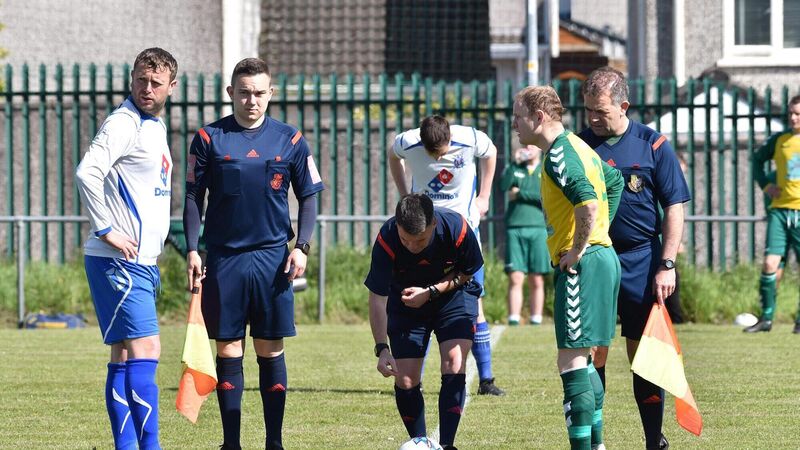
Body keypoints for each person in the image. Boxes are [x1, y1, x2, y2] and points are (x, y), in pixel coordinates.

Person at [183, 57, 324, 450]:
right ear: (230, 93)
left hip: (273, 260)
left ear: (271, 94)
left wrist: (303, 248)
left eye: (259, 93)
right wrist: (194, 250)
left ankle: (274, 443)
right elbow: (193, 196)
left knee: (269, 348)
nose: (251, 100)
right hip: (224, 259)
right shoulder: (209, 138)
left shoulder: (290, 140)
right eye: (244, 92)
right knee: (228, 349)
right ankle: (231, 444)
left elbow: (309, 195)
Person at [578, 66, 691, 450]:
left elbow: (674, 206)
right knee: (592, 353)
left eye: (601, 111)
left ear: (623, 106)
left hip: (642, 261)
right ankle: (594, 440)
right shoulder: (578, 146)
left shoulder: (653, 145)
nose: (593, 119)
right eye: (588, 111)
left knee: (644, 356)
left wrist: (667, 263)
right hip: (594, 259)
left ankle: (652, 440)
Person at [75, 47, 178, 450]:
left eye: (155, 82)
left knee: (122, 356)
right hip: (119, 262)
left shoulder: (153, 124)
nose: (146, 88)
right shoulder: (125, 122)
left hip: (140, 262)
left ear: (172, 85)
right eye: (140, 79)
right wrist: (106, 229)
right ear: (131, 78)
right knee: (147, 348)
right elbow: (88, 171)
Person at [513, 85, 623, 450]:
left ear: (538, 117)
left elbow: (588, 205)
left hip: (584, 263)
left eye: (518, 116)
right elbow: (615, 181)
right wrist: (599, 234)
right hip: (602, 259)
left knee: (571, 360)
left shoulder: (560, 155)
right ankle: (597, 445)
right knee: (584, 360)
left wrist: (577, 249)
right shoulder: (579, 145)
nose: (514, 124)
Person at [388, 115, 505, 396]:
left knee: (473, 306)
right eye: (431, 153)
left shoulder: (470, 138)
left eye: (440, 152)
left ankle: (486, 380)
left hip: (462, 233)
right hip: (424, 235)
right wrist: (405, 194)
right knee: (419, 306)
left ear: (450, 139)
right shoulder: (408, 141)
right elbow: (393, 155)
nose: (436, 157)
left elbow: (491, 153)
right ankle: (415, 376)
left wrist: (484, 196)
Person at [366, 193, 484, 450]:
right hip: (406, 303)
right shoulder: (387, 237)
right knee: (406, 379)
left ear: (433, 225)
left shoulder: (456, 227)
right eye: (405, 239)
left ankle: (448, 445)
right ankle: (420, 442)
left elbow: (467, 272)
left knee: (454, 360)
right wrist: (382, 348)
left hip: (453, 297)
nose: (411, 246)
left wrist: (431, 291)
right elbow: (377, 297)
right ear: (397, 226)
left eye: (419, 240)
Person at [748, 94, 800, 334]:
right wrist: (765, 185)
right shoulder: (780, 140)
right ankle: (766, 318)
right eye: (791, 113)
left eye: (798, 113)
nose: (793, 117)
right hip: (780, 212)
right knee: (770, 263)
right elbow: (757, 161)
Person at [500, 145, 551, 326]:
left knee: (536, 277)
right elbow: (504, 186)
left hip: (538, 227)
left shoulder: (546, 167)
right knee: (516, 276)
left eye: (533, 146)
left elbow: (543, 196)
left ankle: (536, 318)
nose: (528, 148)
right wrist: (514, 162)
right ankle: (513, 318)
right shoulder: (516, 167)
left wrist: (520, 193)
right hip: (515, 226)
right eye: (526, 146)